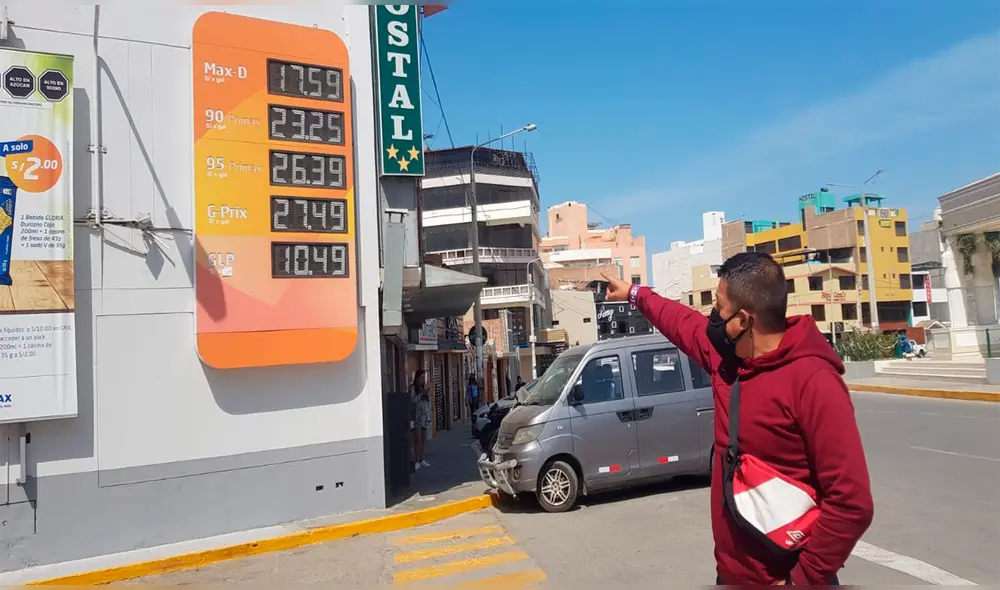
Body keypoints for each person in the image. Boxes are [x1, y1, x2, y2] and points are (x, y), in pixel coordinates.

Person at [602, 251, 873, 586]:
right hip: (730, 576)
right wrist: (633, 293)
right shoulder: (728, 360)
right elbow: (681, 322)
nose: (712, 317)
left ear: (744, 320)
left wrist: (802, 581)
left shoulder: (814, 381)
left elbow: (851, 501)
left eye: (718, 308)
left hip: (790, 579)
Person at [410, 369, 431, 470]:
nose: (423, 380)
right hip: (416, 416)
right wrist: (421, 395)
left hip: (424, 416)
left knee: (423, 439)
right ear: (417, 378)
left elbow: (427, 402)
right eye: (421, 378)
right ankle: (416, 460)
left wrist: (427, 394)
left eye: (424, 378)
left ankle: (422, 459)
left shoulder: (424, 389)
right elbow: (412, 401)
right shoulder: (413, 388)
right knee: (417, 439)